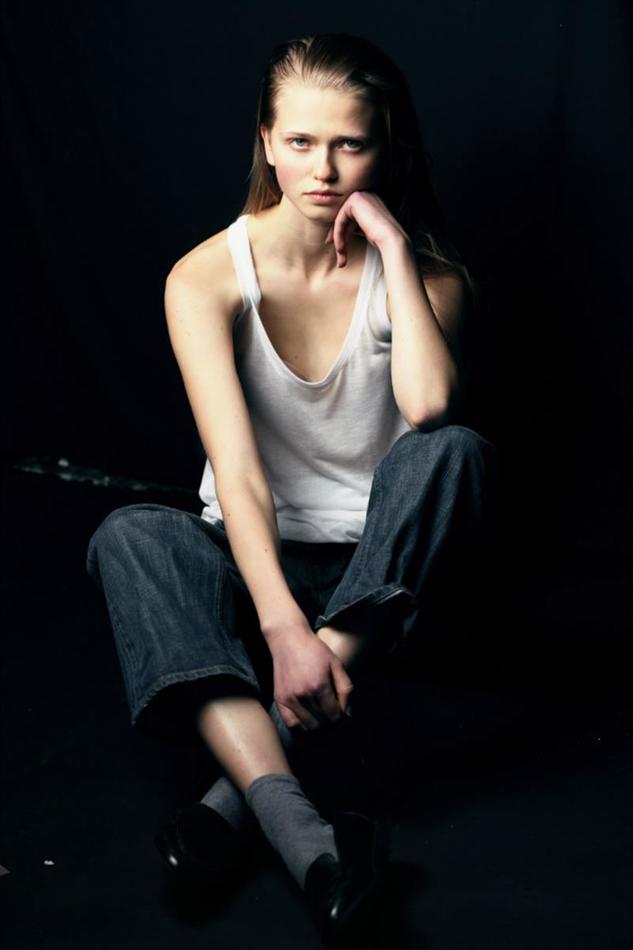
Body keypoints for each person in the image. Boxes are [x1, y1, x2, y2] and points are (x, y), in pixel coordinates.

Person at [86, 31, 498, 947]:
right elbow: (235, 472)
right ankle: (308, 839)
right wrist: (278, 627)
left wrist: (392, 248)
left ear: (387, 149)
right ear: (266, 143)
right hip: (256, 568)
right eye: (302, 142)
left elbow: (429, 410)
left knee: (457, 452)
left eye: (351, 144)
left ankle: (240, 801)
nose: (324, 169)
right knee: (130, 534)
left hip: (377, 579)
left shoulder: (427, 278)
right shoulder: (205, 276)